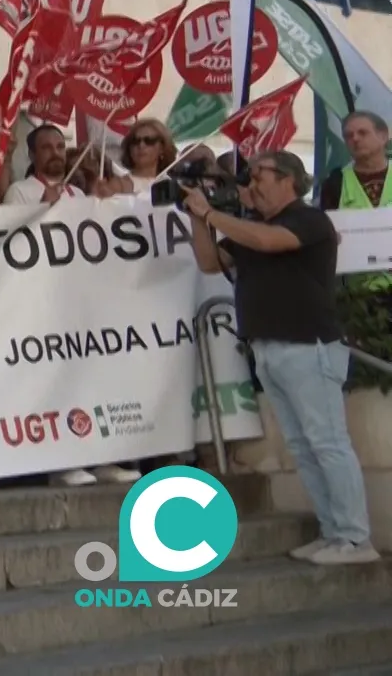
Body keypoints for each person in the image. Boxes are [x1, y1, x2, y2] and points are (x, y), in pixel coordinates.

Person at [184, 150, 379, 565]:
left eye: (259, 175)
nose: (251, 183)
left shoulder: (307, 219)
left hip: (308, 344)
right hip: (268, 346)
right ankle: (333, 532)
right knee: (302, 446)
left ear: (289, 179)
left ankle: (355, 538)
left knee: (327, 442)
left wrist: (212, 214)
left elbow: (269, 242)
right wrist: (198, 219)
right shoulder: (254, 226)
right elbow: (210, 262)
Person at [5, 124, 82, 205]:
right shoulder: (18, 191)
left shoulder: (79, 194)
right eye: (47, 148)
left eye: (60, 147)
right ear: (32, 155)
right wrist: (44, 206)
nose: (55, 153)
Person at [118, 119, 177, 196]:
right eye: (135, 141)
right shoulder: (116, 187)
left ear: (162, 148)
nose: (141, 145)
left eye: (149, 141)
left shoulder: (173, 186)